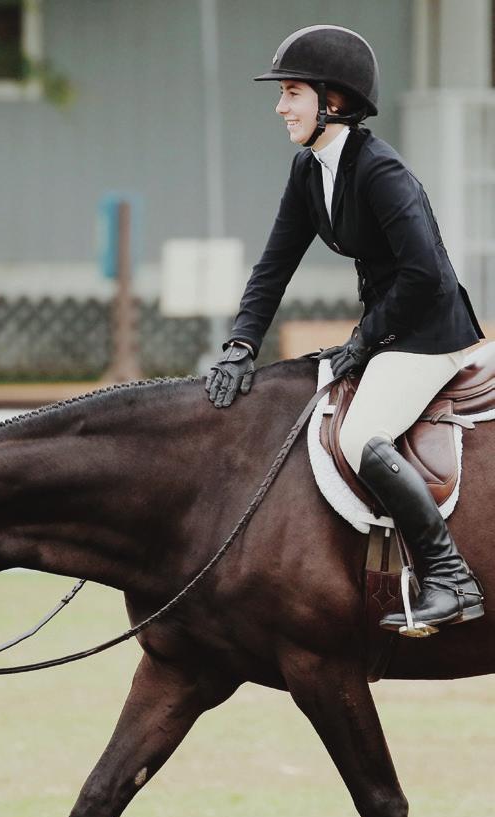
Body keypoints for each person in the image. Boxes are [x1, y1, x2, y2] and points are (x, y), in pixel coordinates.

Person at [205, 24, 485, 637]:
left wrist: (364, 340)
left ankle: (450, 578)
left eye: (293, 93)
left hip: (430, 334)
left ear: (335, 101)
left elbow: (427, 278)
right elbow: (273, 266)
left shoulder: (381, 172)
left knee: (361, 435)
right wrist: (240, 345)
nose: (281, 107)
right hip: (387, 331)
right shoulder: (310, 171)